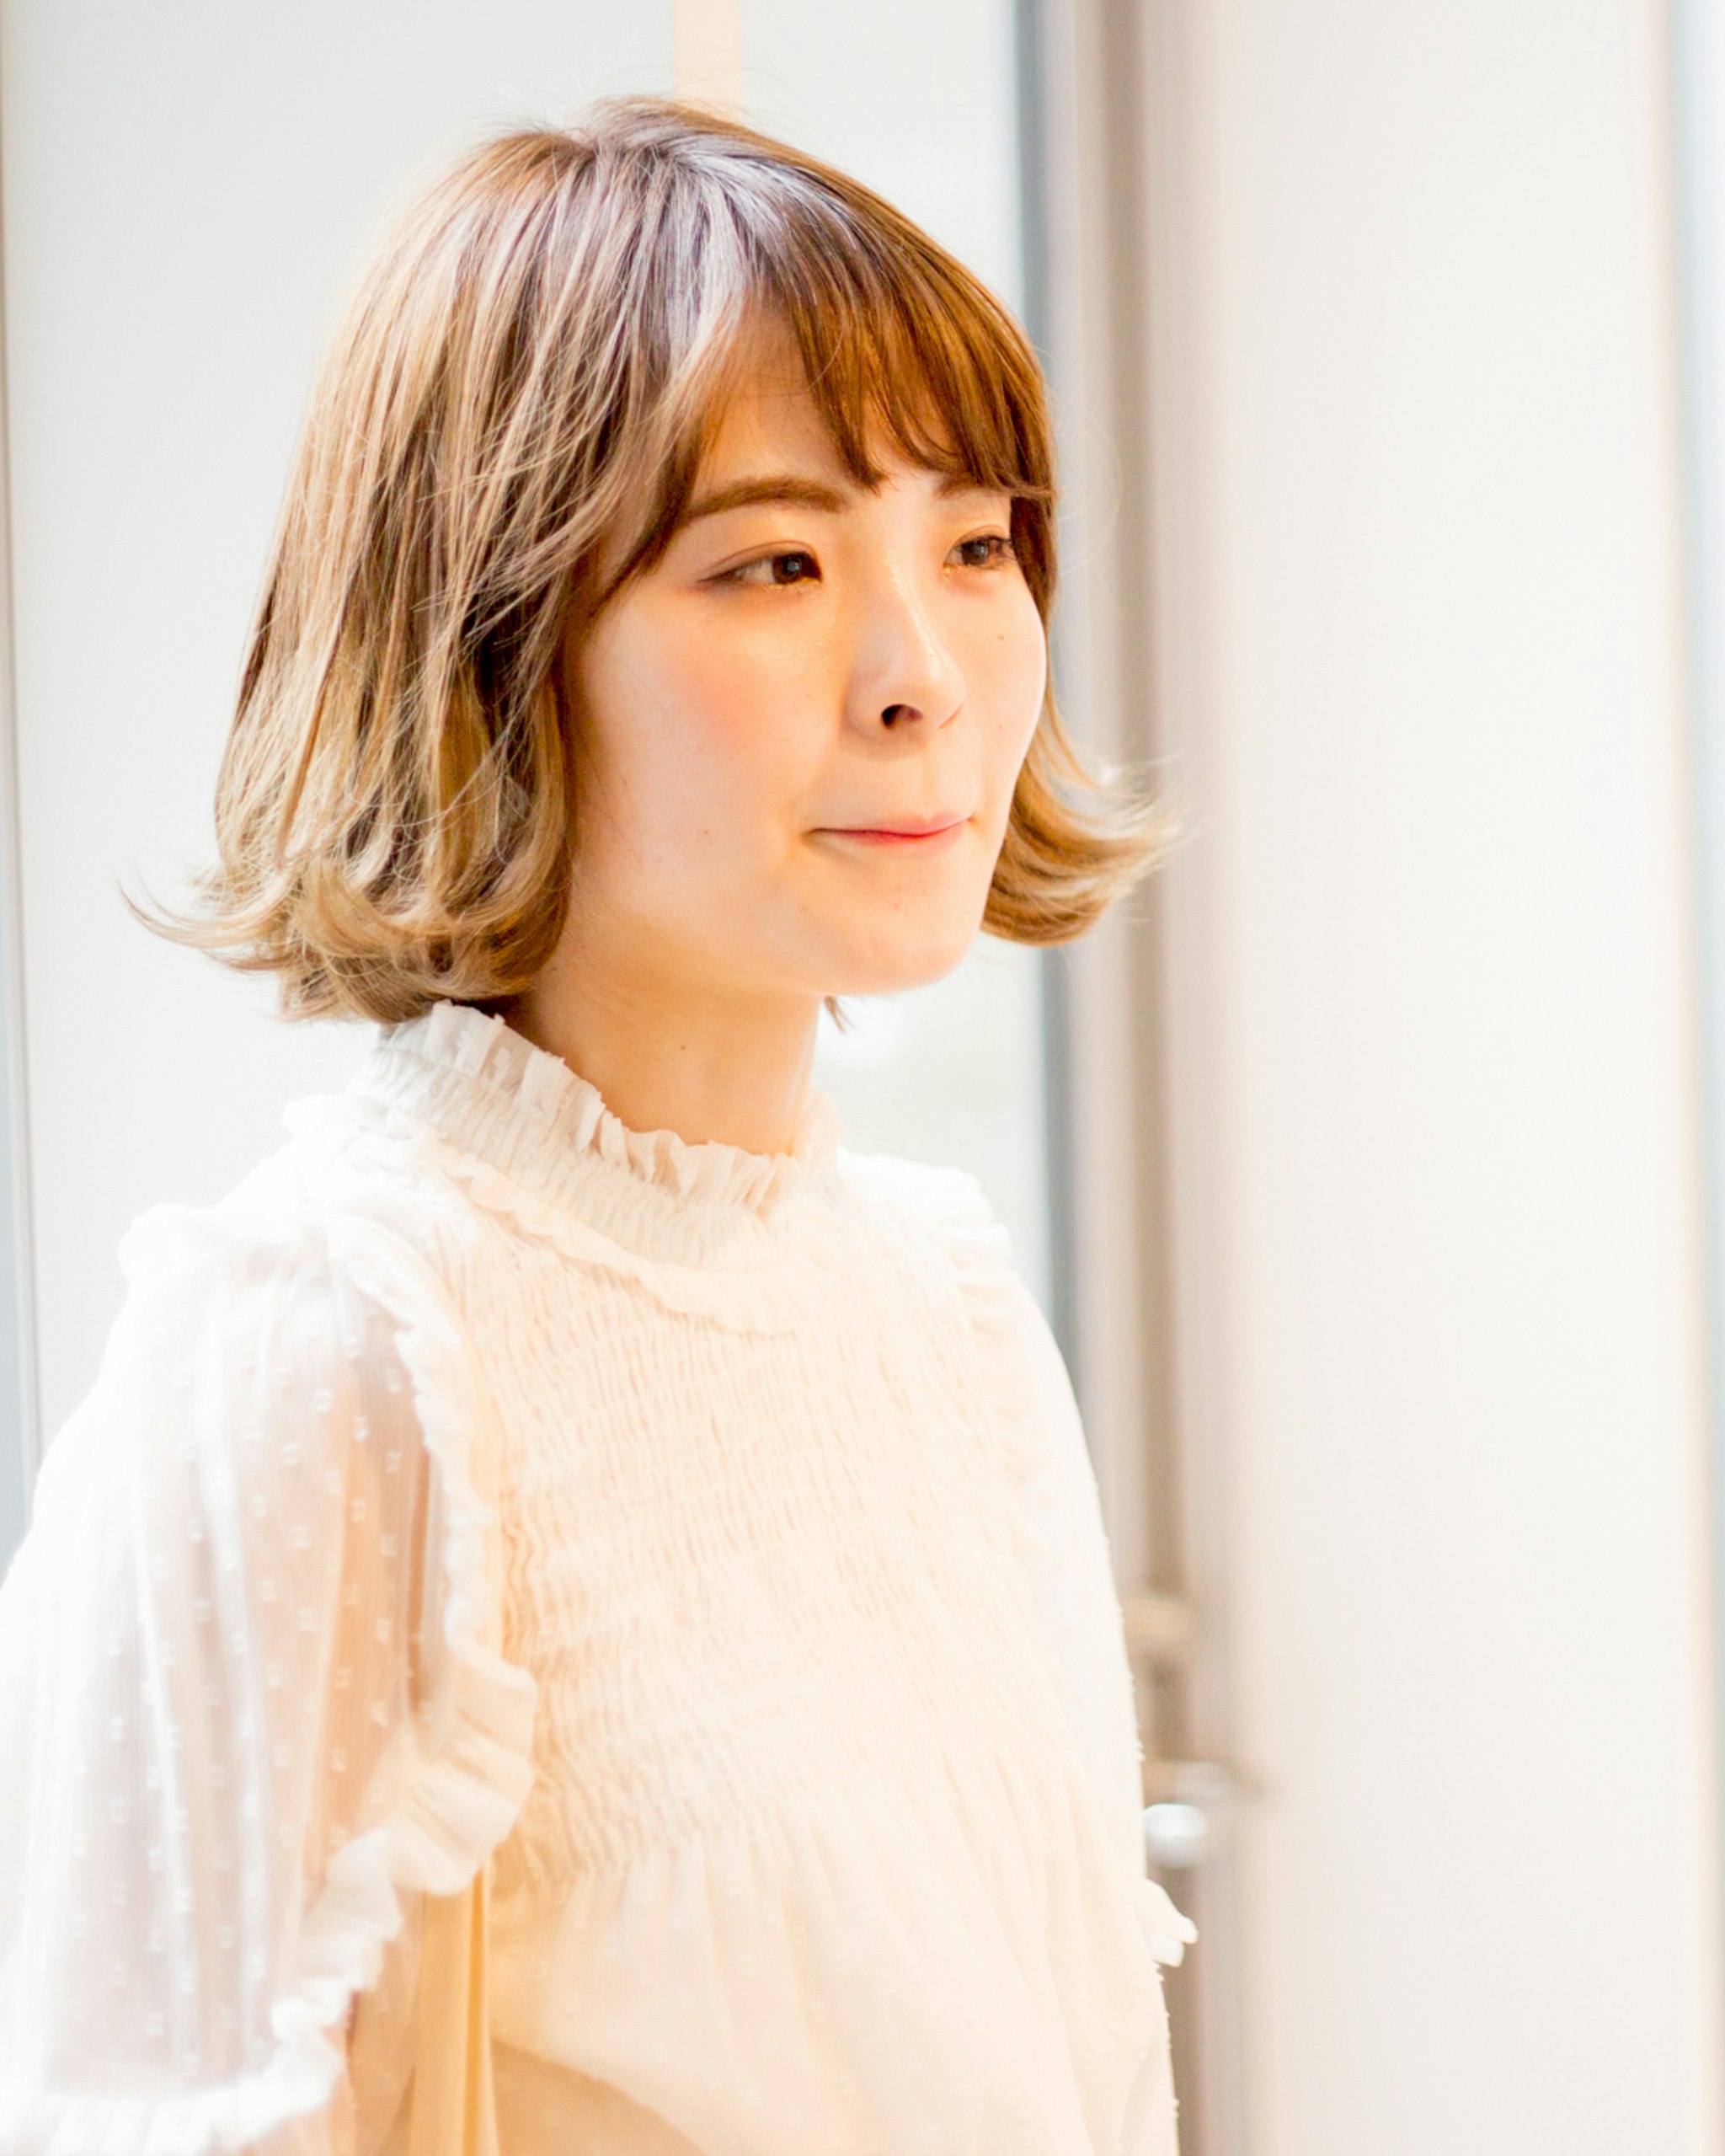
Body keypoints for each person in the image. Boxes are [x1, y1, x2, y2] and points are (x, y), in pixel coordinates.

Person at [0, 99, 1188, 2155]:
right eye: (778, 561)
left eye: (980, 543)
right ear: (493, 646)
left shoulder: (940, 1302)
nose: (923, 673)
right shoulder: (329, 1347)